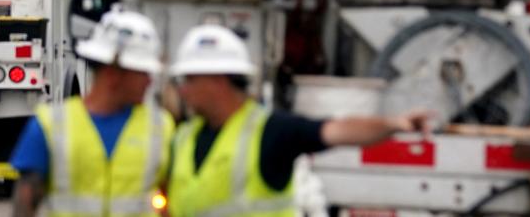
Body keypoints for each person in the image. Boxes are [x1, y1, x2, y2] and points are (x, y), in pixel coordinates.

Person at [166, 24, 433, 217]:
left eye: (189, 80)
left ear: (217, 80)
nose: (182, 90)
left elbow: (337, 130)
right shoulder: (184, 137)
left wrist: (394, 124)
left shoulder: (270, 131)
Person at [11, 9, 174, 217]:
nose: (149, 81)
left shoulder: (161, 127)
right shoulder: (50, 126)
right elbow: (24, 207)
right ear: (113, 74)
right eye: (142, 72)